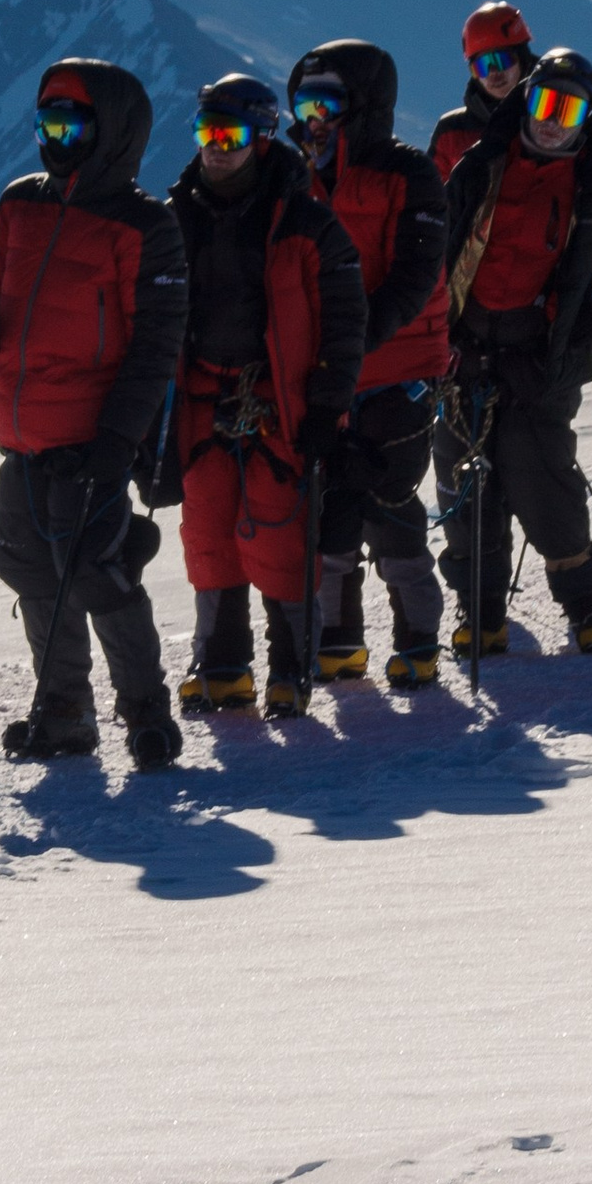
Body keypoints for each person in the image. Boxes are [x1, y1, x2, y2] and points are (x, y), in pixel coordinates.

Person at [0, 60, 189, 768]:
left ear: (109, 132)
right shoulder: (20, 203)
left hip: (92, 439)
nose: (55, 138)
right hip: (22, 436)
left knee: (98, 571)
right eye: (46, 123)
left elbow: (156, 346)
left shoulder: (144, 226)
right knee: (32, 570)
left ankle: (146, 712)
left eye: (71, 124)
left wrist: (119, 442)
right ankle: (63, 712)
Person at [435, 46, 592, 658]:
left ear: (588, 118)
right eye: (542, 101)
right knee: (463, 482)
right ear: (525, 101)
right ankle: (479, 611)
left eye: (569, 108)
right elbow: (441, 252)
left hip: (543, 356)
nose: (552, 118)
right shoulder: (480, 168)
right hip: (465, 352)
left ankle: (584, 603)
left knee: (543, 479)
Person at [166, 75, 366, 715]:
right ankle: (224, 666)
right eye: (207, 133)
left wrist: (329, 406)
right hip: (202, 394)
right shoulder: (176, 216)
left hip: (281, 400)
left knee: (280, 532)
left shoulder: (307, 222)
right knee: (208, 529)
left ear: (263, 138)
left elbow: (344, 320)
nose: (216, 148)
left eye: (230, 135)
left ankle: (289, 668)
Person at [283, 42, 450, 685]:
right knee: (327, 509)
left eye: (328, 103)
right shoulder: (294, 174)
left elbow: (414, 278)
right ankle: (339, 638)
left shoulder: (409, 173)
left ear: (365, 107)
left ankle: (417, 636)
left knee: (388, 501)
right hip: (321, 375)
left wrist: (353, 340)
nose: (314, 117)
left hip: (396, 369)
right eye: (304, 103)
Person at [429, 0, 536, 178]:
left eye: (502, 60)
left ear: (523, 58)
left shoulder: (554, 120)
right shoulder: (451, 132)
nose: (494, 73)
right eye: (482, 66)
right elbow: (431, 199)